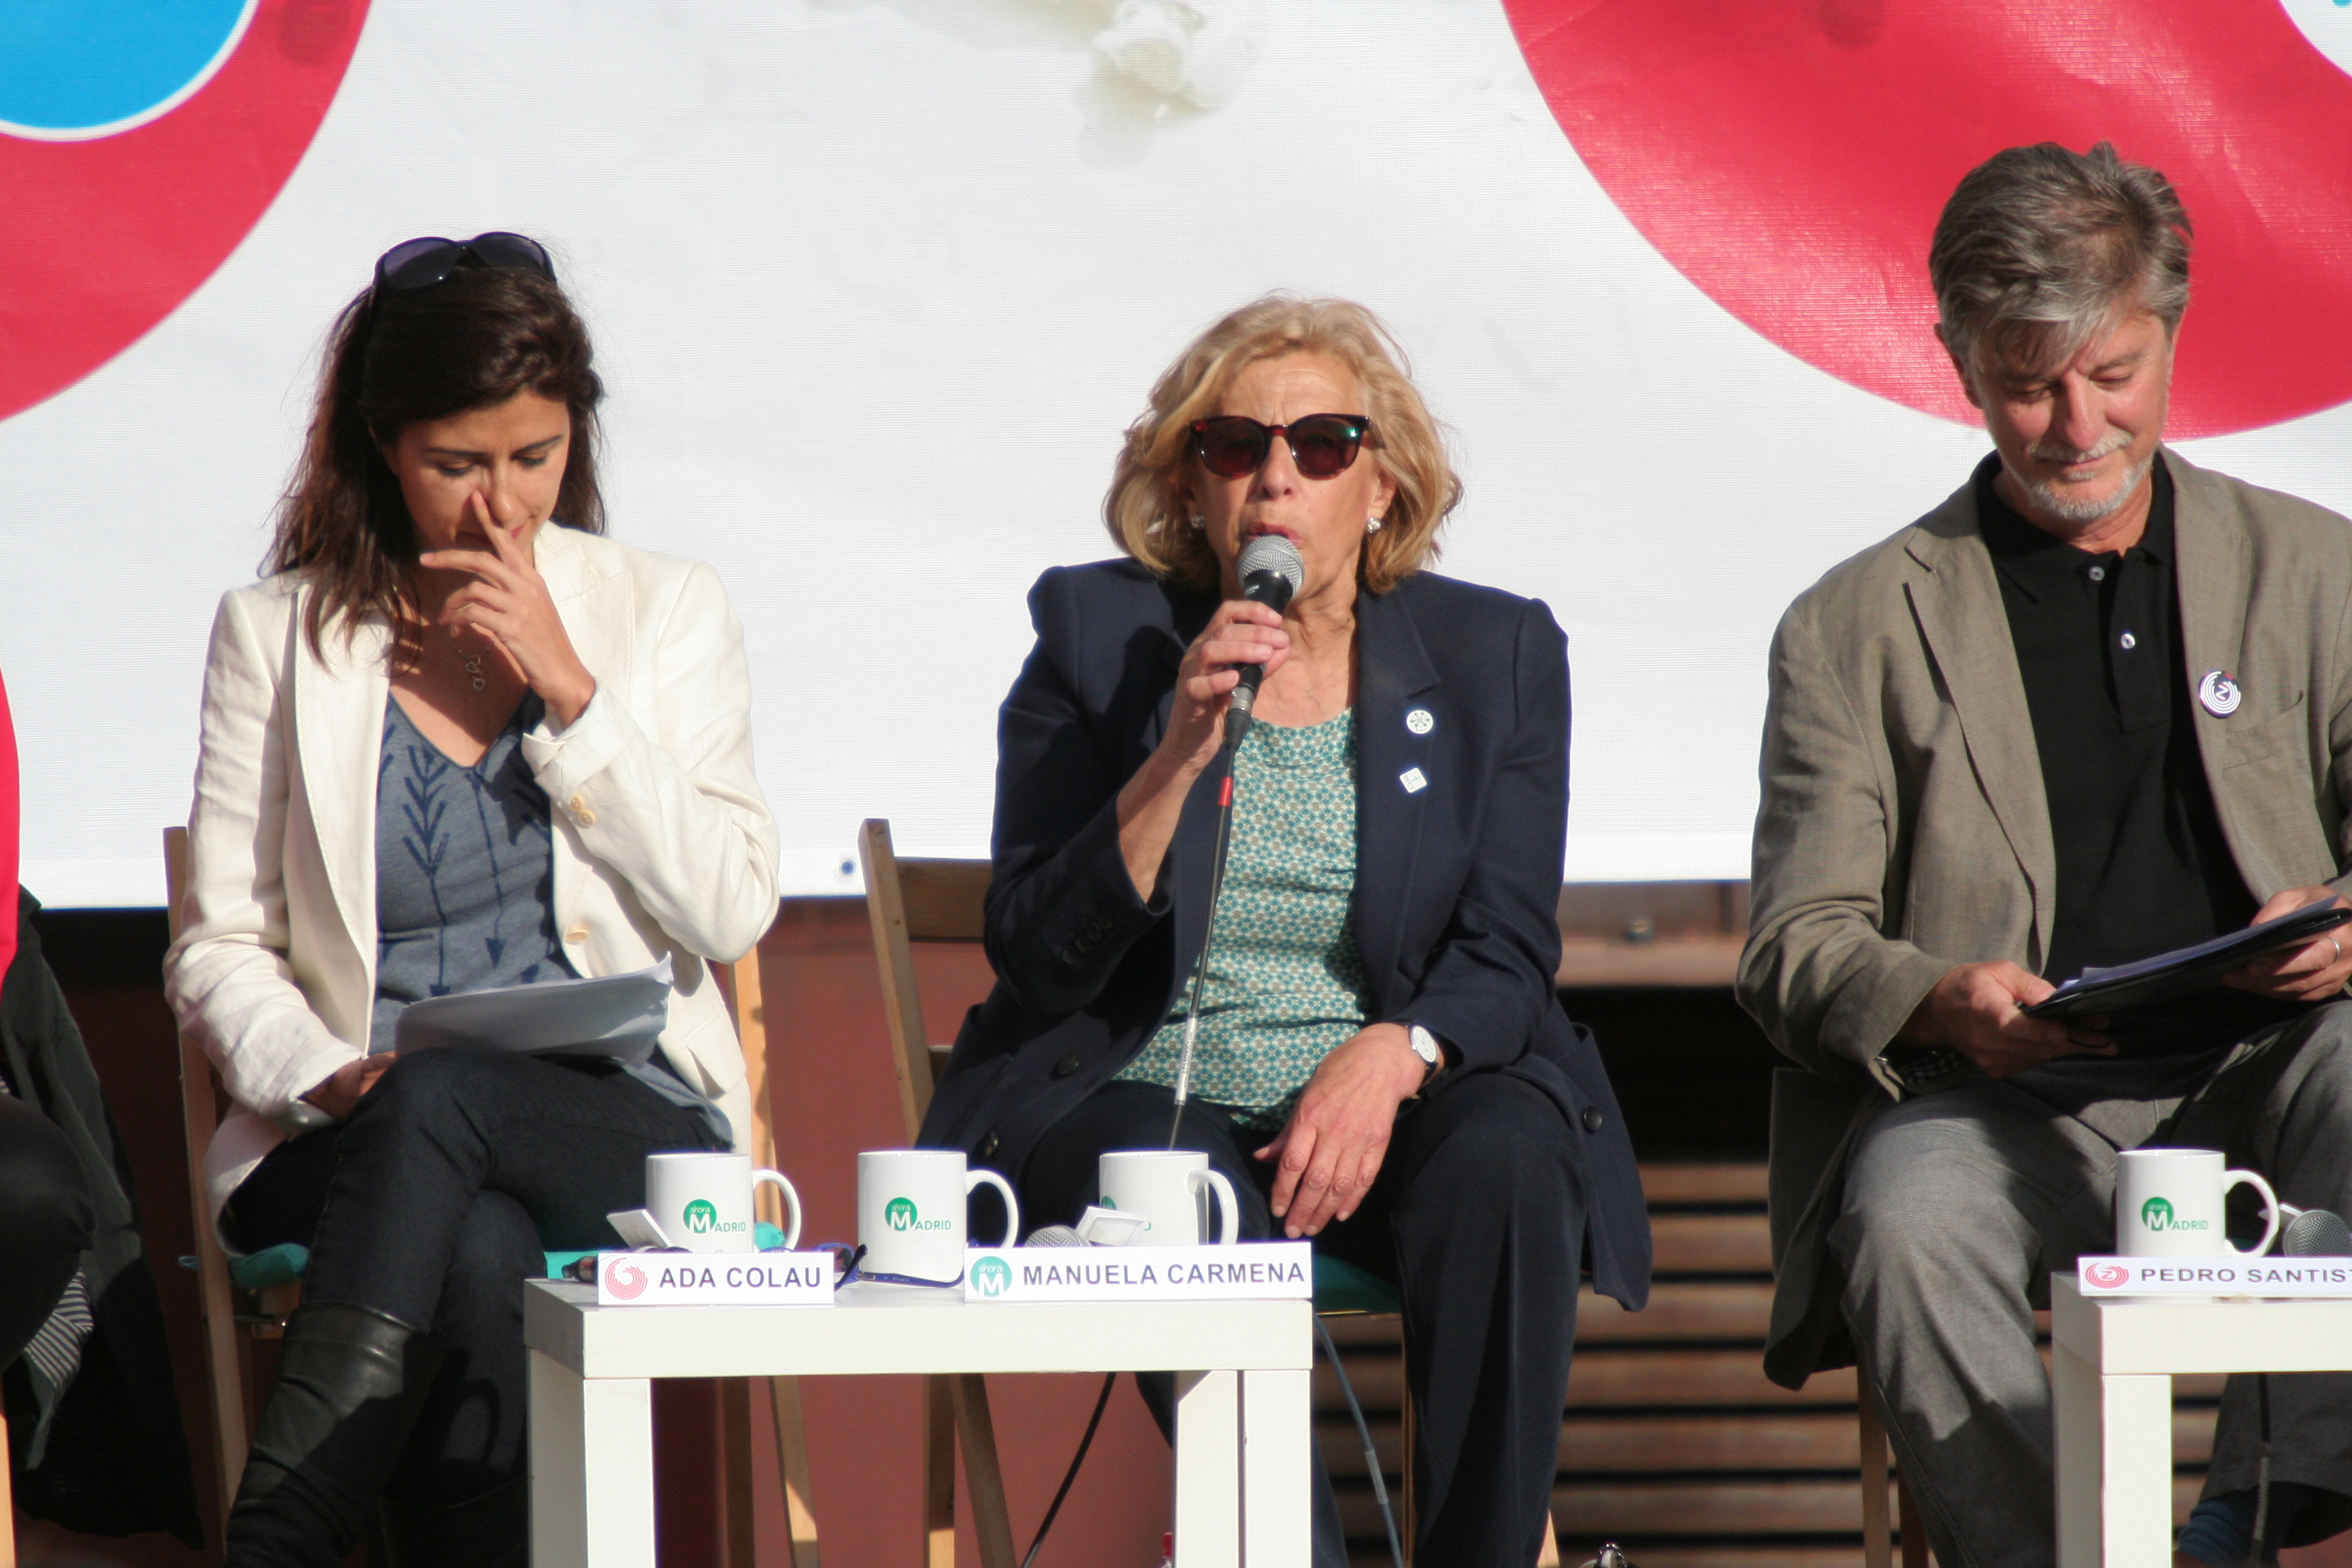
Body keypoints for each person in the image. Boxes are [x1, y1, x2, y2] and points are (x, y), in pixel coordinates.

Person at [918, 295, 1650, 1567]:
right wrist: (1175, 755)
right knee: (1171, 1187)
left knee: (1510, 1158)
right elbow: (1035, 953)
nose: (1275, 477)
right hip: (1143, 1101)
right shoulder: (1097, 641)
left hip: (1386, 1108)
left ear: (1380, 486)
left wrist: (1398, 1052)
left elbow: (1505, 952)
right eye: (1234, 446)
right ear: (1189, 488)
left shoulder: (1498, 653)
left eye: (1321, 444)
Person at [1741, 142, 2352, 1568]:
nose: (2078, 425)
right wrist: (1938, 998)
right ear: (1959, 364)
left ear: (2170, 337)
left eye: (2112, 373)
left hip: (2280, 1064)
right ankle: (2068, 1558)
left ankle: (2254, 1520)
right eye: (2029, 384)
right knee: (1904, 1216)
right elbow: (1796, 944)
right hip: (2009, 1103)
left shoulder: (2317, 572)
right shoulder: (1852, 626)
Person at [165, 233, 779, 1567]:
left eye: (536, 458)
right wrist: (333, 1077)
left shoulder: (663, 610)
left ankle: (278, 1535)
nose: (502, 508)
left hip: (615, 1119)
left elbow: (730, 909)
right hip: (348, 1123)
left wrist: (575, 695)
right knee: (478, 1236)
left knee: (449, 1109)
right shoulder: (279, 633)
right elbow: (221, 945)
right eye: (458, 466)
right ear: (384, 444)